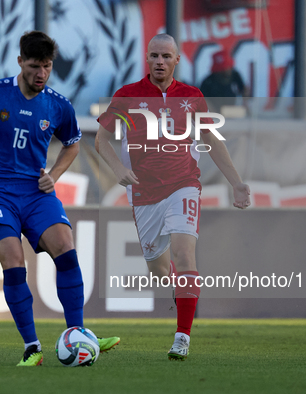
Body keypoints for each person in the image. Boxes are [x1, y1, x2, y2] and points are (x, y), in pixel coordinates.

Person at [0, 31, 119, 366]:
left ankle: (76, 333)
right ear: (20, 62)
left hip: (36, 192)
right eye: (34, 66)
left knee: (65, 247)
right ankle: (32, 347)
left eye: (47, 66)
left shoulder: (58, 105)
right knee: (13, 260)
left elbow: (73, 143)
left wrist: (56, 174)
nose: (41, 73)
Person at [95, 34, 250, 361]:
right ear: (147, 59)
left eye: (166, 56)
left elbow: (211, 137)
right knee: (158, 269)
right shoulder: (127, 96)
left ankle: (182, 337)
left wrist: (236, 182)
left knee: (184, 254)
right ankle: (183, 294)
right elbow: (102, 140)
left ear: (177, 60)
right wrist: (117, 169)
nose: (160, 62)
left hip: (183, 184)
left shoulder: (192, 97)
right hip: (142, 191)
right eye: (154, 56)